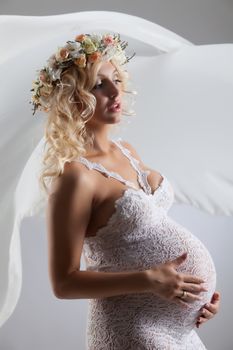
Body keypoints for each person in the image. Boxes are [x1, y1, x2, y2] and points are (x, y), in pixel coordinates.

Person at [31, 33, 220, 349]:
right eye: (98, 85)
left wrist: (194, 299)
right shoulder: (75, 178)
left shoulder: (127, 150)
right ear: (71, 98)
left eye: (115, 79)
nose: (116, 91)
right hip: (133, 330)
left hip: (180, 330)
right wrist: (149, 280)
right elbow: (63, 282)